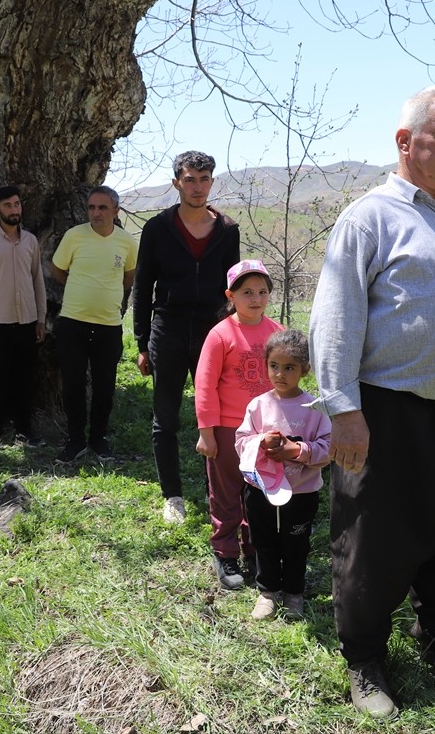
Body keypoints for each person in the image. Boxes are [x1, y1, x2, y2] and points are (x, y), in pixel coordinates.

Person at [309, 85, 435, 719]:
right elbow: (335, 320)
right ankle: (365, 661)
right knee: (378, 539)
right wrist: (343, 409)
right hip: (390, 412)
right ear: (406, 142)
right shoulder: (369, 218)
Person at [133, 150, 240, 524]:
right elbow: (143, 286)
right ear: (177, 182)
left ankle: (224, 491)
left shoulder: (227, 230)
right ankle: (172, 496)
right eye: (190, 179)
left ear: (212, 181)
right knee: (166, 417)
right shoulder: (157, 229)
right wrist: (142, 342)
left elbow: (234, 287)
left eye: (205, 178)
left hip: (213, 332)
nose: (198, 186)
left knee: (219, 415)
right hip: (169, 329)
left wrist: (236, 332)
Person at [194, 259, 283, 590]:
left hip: (265, 432)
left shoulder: (276, 333)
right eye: (247, 292)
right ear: (230, 295)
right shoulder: (220, 335)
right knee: (227, 494)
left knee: (259, 493)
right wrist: (207, 433)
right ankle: (225, 552)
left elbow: (284, 383)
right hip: (228, 430)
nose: (256, 299)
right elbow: (204, 386)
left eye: (262, 291)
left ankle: (255, 551)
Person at [234, 328, 331, 620]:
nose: (280, 374)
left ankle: (293, 593)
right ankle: (267, 592)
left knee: (295, 543)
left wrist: (295, 451)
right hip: (260, 490)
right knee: (263, 540)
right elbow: (240, 443)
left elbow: (328, 449)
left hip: (301, 492)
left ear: (305, 370)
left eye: (289, 367)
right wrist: (259, 443)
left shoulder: (315, 408)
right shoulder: (259, 405)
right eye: (274, 366)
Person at [50, 185, 138, 464]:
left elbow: (129, 277)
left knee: (104, 386)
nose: (96, 213)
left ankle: (99, 439)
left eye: (102, 207)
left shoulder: (126, 242)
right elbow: (57, 270)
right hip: (72, 323)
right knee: (73, 385)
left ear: (115, 211)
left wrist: (107, 295)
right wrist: (80, 287)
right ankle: (75, 440)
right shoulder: (74, 236)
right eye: (91, 207)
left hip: (108, 326)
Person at [0, 185, 48, 454]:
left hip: (27, 321)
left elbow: (37, 279)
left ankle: (24, 431)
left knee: (25, 379)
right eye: (8, 206)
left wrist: (40, 318)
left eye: (16, 204)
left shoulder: (30, 241)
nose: (14, 210)